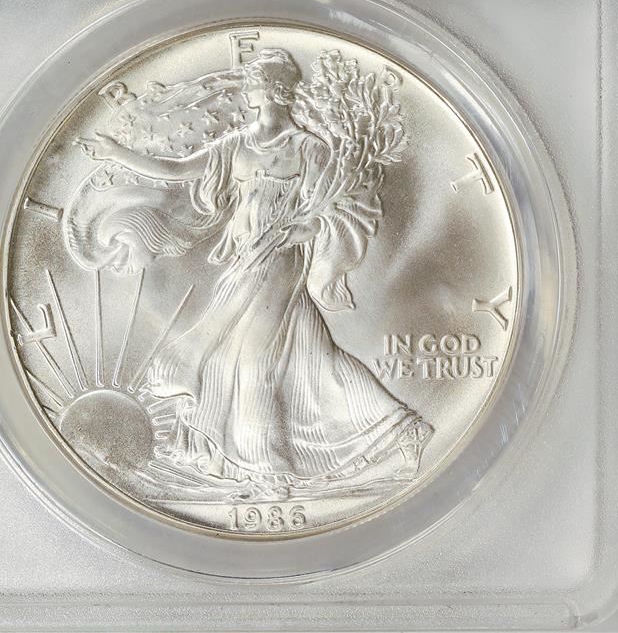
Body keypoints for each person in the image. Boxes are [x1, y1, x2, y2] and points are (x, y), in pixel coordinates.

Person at [80, 48, 431, 495]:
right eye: (251, 82)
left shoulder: (308, 149)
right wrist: (118, 154)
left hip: (278, 262)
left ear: (276, 90)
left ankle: (266, 466)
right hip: (244, 260)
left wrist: (294, 230)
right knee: (311, 357)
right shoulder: (237, 145)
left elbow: (325, 213)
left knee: (251, 359)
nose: (249, 89)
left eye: (256, 83)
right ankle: (402, 431)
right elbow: (177, 169)